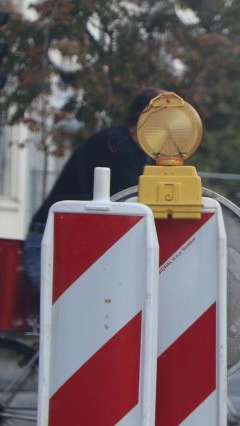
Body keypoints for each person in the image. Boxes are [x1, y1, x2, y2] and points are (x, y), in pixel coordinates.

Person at [22, 87, 165, 289]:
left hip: (62, 240)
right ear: (145, 117)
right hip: (56, 243)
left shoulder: (127, 146)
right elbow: (132, 199)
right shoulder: (116, 145)